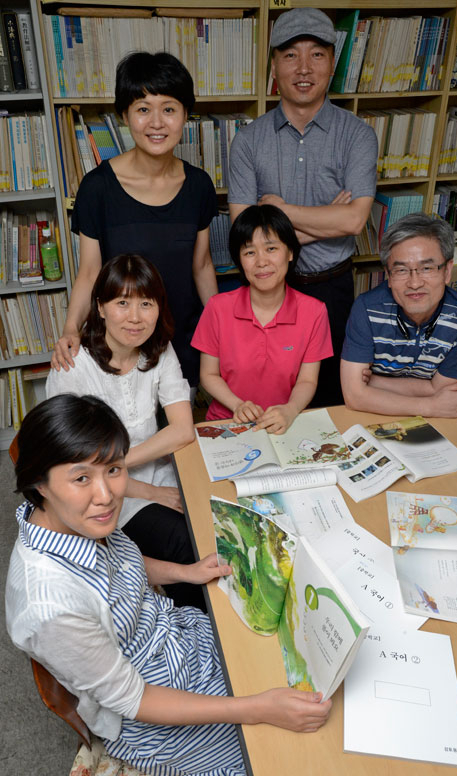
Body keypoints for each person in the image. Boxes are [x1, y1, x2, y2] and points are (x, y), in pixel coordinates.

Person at [5, 395, 332, 775]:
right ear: (38, 483)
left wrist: (186, 572)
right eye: (81, 478)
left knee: (301, 652)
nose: (106, 495)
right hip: (158, 718)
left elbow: (121, 566)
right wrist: (255, 708)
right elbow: (135, 700)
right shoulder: (50, 608)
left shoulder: (68, 520)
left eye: (113, 469)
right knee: (298, 754)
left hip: (183, 638)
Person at [228, 8, 378, 407]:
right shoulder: (248, 140)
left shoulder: (358, 136)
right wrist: (325, 221)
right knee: (268, 401)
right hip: (270, 290)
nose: (304, 67)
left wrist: (278, 209)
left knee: (330, 398)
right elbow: (244, 230)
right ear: (274, 65)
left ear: (332, 64)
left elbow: (355, 219)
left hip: (333, 289)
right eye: (291, 55)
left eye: (317, 54)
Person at [52, 51, 219, 391]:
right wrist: (71, 328)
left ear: (186, 115)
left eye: (169, 109)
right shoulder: (97, 187)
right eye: (143, 109)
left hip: (181, 340)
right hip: (121, 344)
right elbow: (89, 272)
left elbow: (201, 265)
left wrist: (222, 327)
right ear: (124, 116)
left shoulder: (199, 185)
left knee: (180, 433)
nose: (157, 123)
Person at [46, 253, 201, 608]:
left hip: (160, 474)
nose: (135, 317)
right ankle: (196, 625)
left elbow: (182, 430)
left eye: (146, 303)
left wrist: (118, 461)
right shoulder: (74, 366)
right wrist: (145, 490)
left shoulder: (159, 350)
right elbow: (81, 471)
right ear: (99, 307)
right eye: (122, 303)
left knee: (215, 525)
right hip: (107, 496)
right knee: (185, 542)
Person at [191, 204, 333, 434]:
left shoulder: (314, 312)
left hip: (288, 422)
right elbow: (208, 374)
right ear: (239, 260)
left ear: (290, 252)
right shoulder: (218, 307)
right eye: (249, 252)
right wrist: (237, 405)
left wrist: (290, 410)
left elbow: (307, 381)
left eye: (271, 248)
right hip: (228, 423)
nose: (261, 261)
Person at [340, 213, 457, 418]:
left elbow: (442, 391)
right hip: (371, 416)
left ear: (447, 271)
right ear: (389, 276)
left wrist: (374, 382)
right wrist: (429, 406)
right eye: (401, 270)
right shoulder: (367, 309)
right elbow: (354, 396)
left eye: (427, 268)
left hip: (440, 426)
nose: (414, 283)